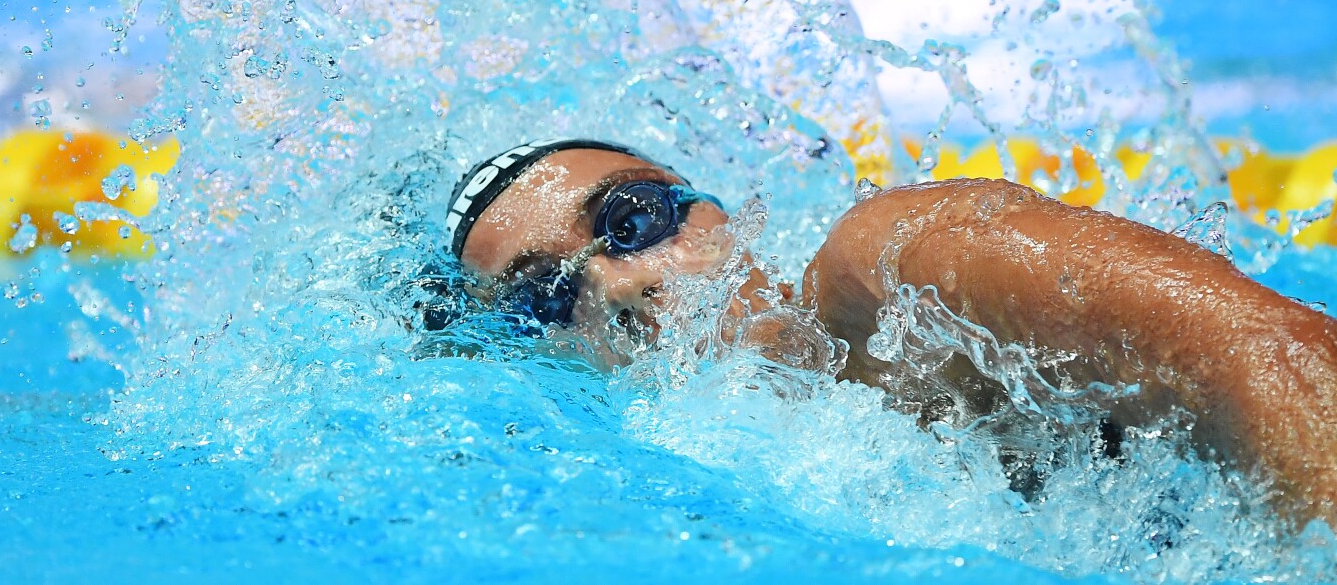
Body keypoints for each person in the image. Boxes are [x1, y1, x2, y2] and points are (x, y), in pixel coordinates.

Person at [444, 137, 1337, 526]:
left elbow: (1260, 347)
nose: (615, 281)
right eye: (546, 297)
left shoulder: (889, 263)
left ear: (715, 208)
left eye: (630, 219)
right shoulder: (702, 486)